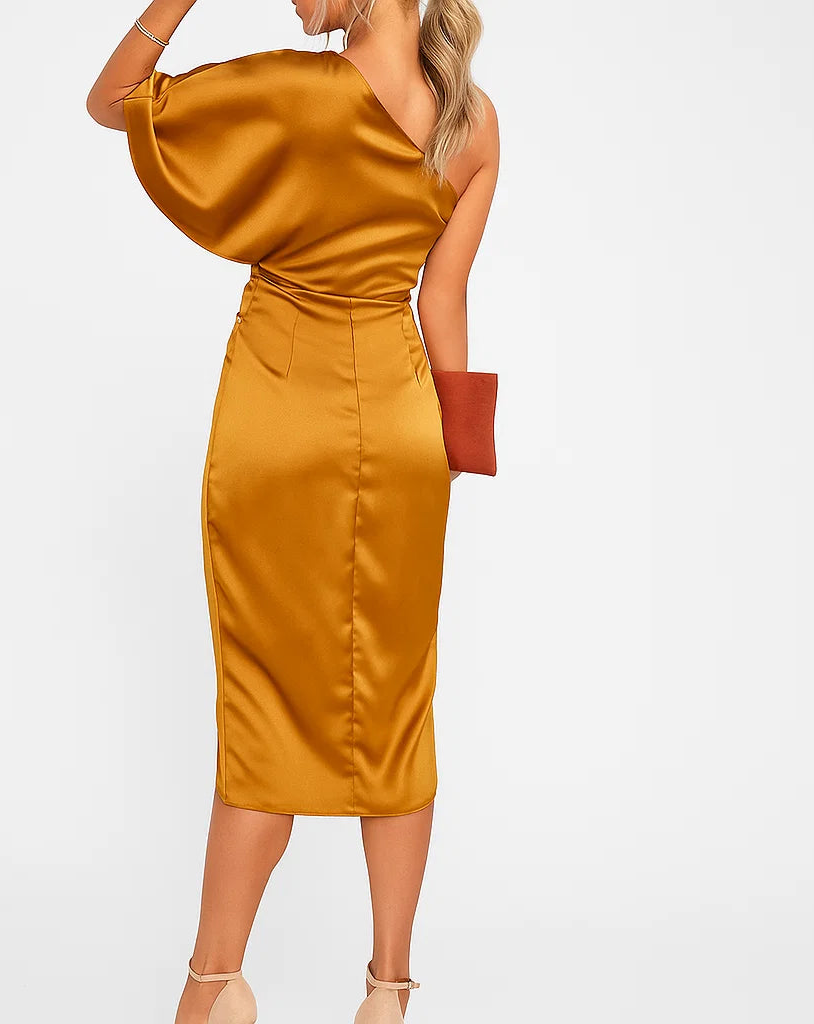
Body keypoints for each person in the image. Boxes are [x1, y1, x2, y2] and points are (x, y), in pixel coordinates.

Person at [87, 1, 499, 1020]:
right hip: (400, 429)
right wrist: (452, 454)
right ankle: (388, 995)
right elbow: (441, 300)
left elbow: (113, 100)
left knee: (262, 703)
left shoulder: (291, 88)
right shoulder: (472, 119)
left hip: (277, 418)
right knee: (396, 707)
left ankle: (213, 986)